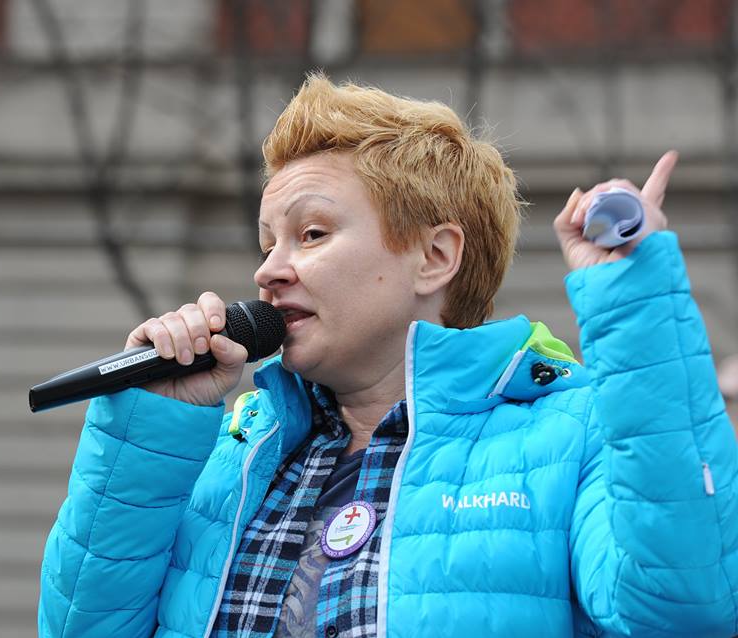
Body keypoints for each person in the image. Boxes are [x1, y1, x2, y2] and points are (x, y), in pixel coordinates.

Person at [38, 74, 738, 638]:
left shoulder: (569, 434)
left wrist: (634, 300)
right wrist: (152, 430)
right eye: (267, 243)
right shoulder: (232, 452)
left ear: (434, 256)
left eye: (312, 234)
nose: (268, 271)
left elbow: (683, 610)